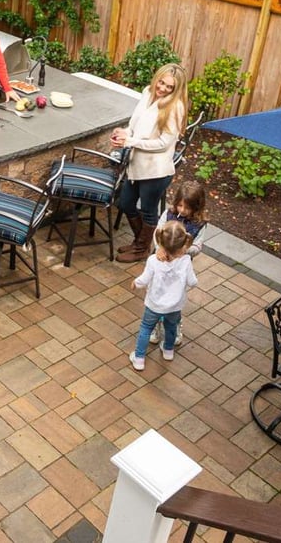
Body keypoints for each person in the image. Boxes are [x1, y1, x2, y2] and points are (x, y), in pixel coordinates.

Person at [111, 63, 188, 263]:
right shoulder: (147, 93)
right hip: (137, 165)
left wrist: (130, 142)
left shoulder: (175, 108)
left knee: (148, 210)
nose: (162, 88)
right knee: (126, 203)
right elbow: (135, 126)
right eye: (161, 82)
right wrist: (124, 134)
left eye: (169, 87)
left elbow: (164, 143)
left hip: (156, 171)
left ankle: (141, 249)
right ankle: (141, 243)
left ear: (176, 89)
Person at [128, 220, 198, 371]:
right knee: (171, 327)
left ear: (160, 242)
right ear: (183, 244)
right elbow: (193, 282)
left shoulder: (153, 260)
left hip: (154, 305)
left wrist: (136, 283)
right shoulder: (186, 261)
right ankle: (168, 351)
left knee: (146, 328)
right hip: (175, 306)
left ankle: (139, 358)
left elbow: (144, 279)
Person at [149, 181, 208, 348]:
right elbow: (158, 231)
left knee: (174, 299)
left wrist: (184, 251)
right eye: (180, 205)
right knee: (155, 293)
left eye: (187, 207)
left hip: (179, 270)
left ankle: (175, 325)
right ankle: (154, 324)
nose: (182, 210)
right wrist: (160, 247)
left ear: (197, 207)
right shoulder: (168, 214)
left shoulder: (199, 224)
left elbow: (198, 246)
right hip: (160, 265)